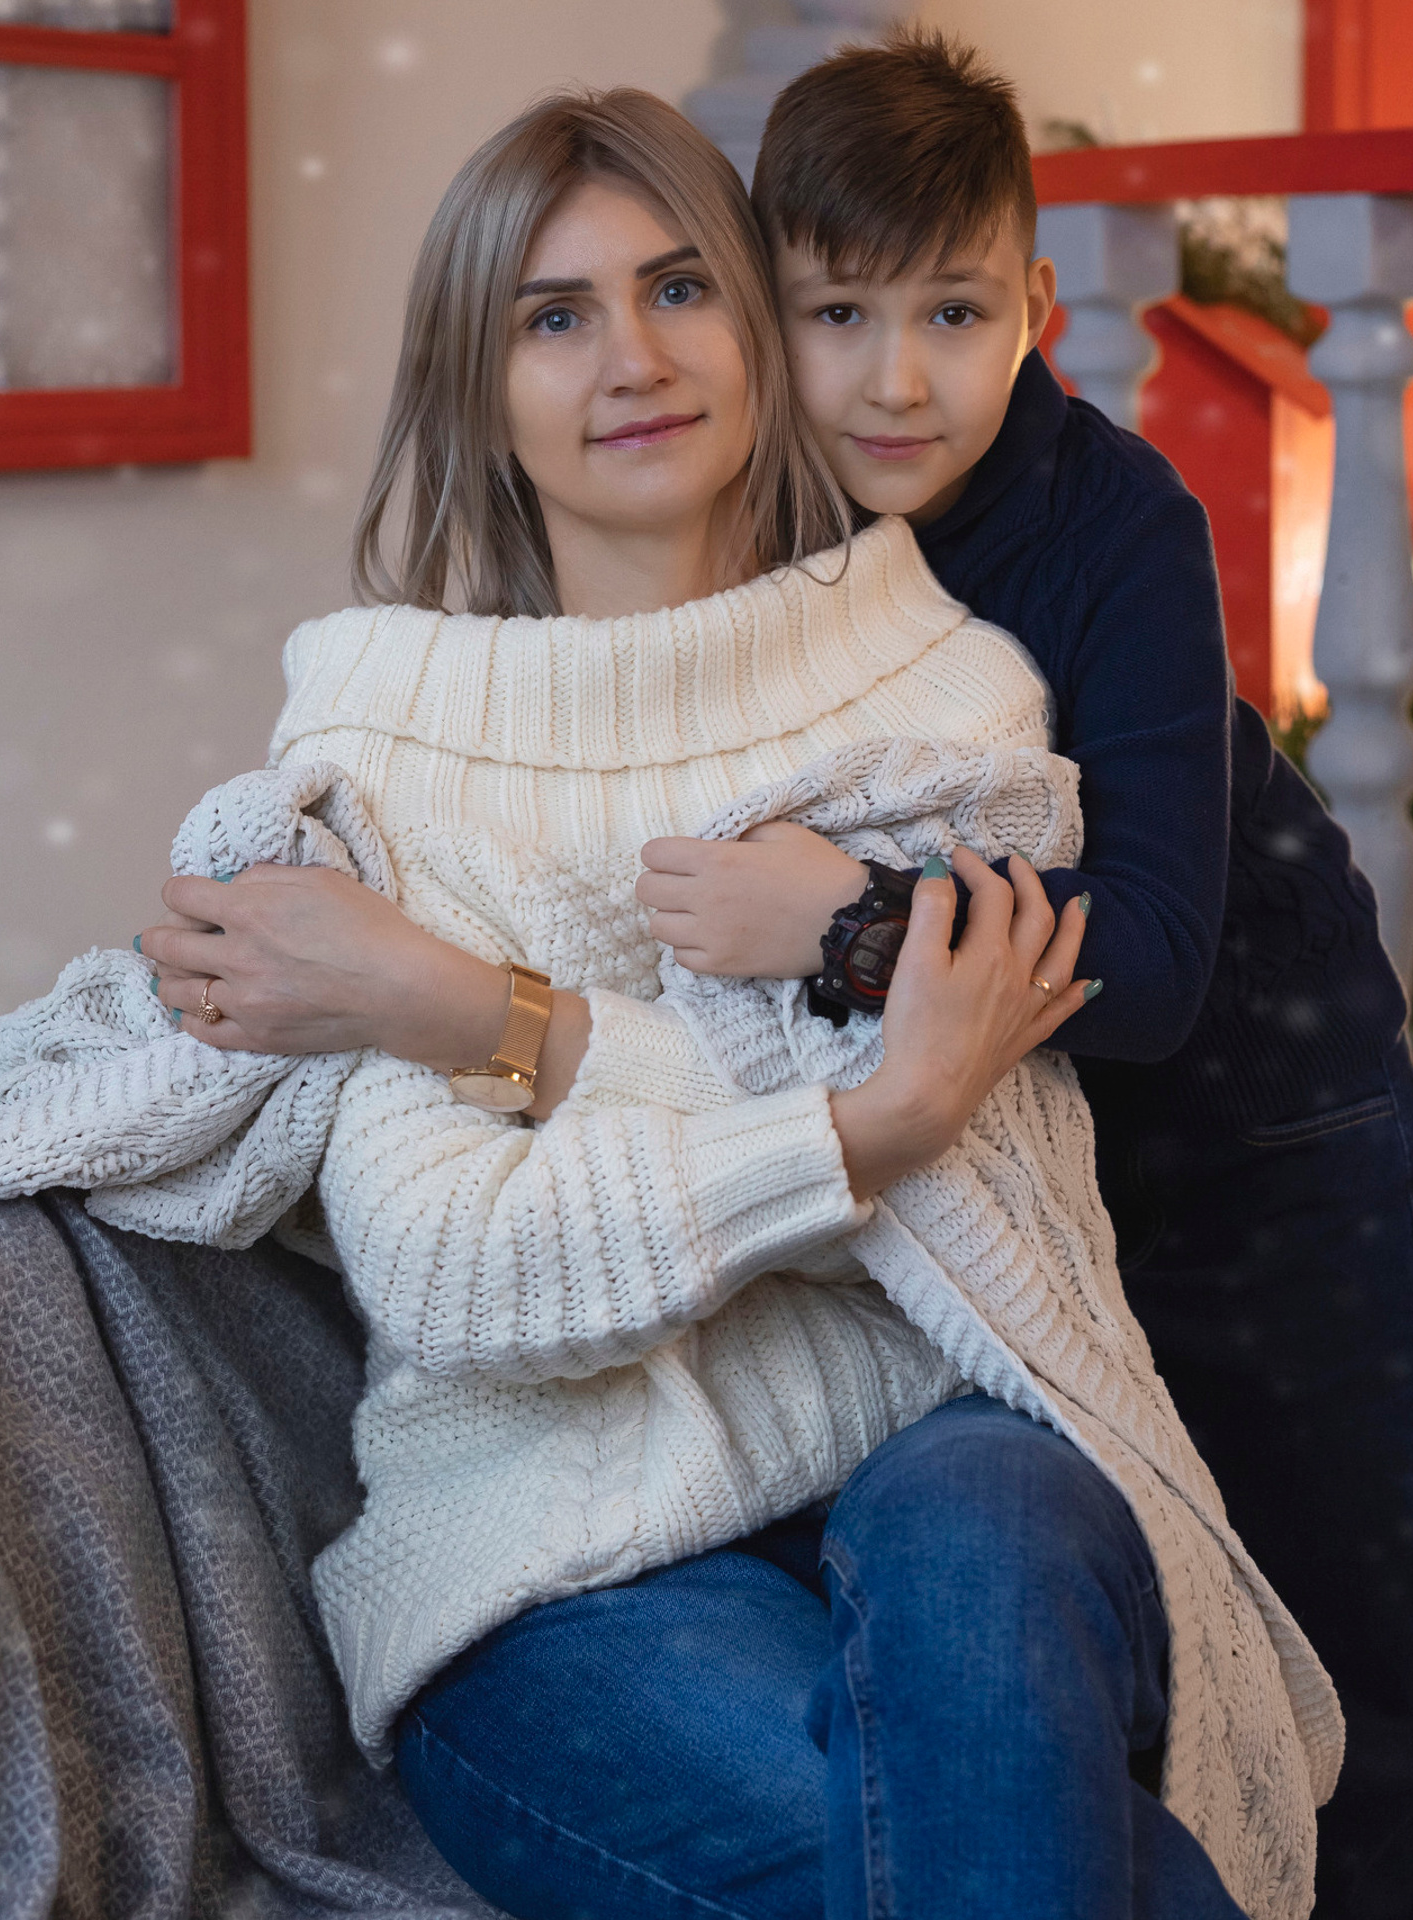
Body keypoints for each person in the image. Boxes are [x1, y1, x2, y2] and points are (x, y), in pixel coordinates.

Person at [136, 85, 1339, 1920]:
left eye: (679, 287)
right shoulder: (385, 758)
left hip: (948, 1458)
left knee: (986, 1518)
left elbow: (985, 1189)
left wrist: (476, 1012)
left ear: (752, 329)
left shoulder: (948, 691)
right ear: (482, 385)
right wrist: (856, 1127)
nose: (631, 355)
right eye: (555, 316)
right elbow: (469, 1272)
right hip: (564, 1562)